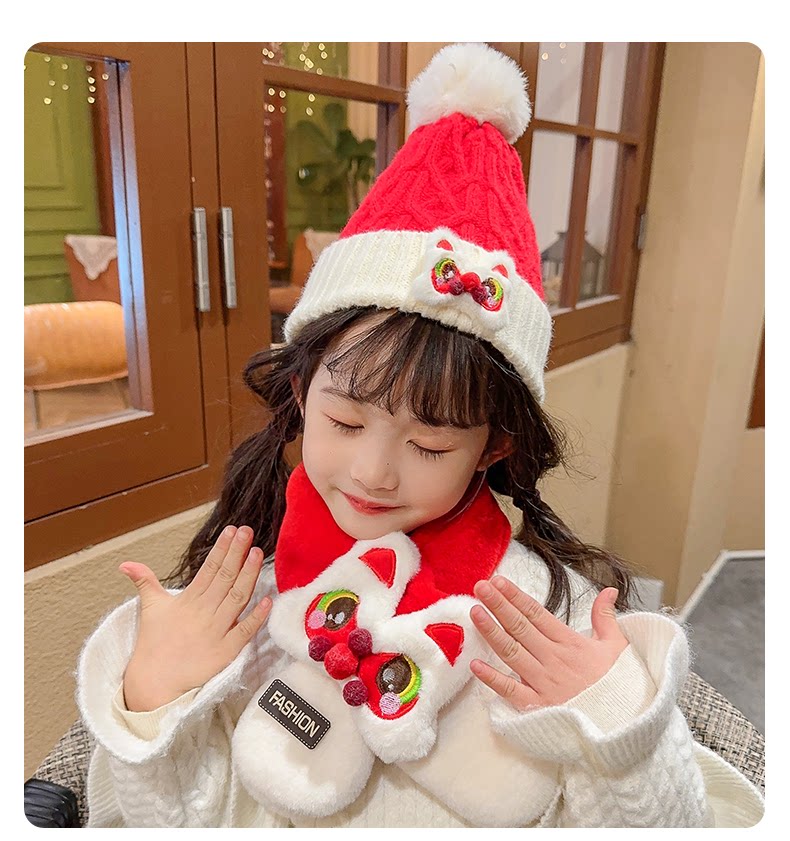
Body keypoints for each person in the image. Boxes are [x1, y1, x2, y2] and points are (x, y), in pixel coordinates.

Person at [75, 43, 764, 828]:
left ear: (495, 445)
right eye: (344, 421)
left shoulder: (546, 617)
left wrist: (616, 724)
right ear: (300, 393)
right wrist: (151, 704)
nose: (373, 472)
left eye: (431, 446)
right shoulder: (243, 599)